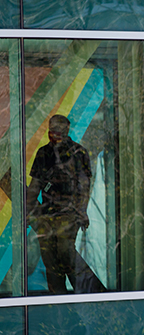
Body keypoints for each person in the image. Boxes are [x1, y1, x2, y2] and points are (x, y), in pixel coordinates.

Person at [27, 114, 103, 293]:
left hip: (69, 214)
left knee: (65, 252)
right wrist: (27, 210)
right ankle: (58, 298)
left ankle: (87, 293)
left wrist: (82, 212)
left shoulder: (78, 152)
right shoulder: (43, 153)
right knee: (50, 259)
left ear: (66, 130)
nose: (54, 135)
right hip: (47, 214)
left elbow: (85, 187)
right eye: (51, 130)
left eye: (58, 131)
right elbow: (35, 185)